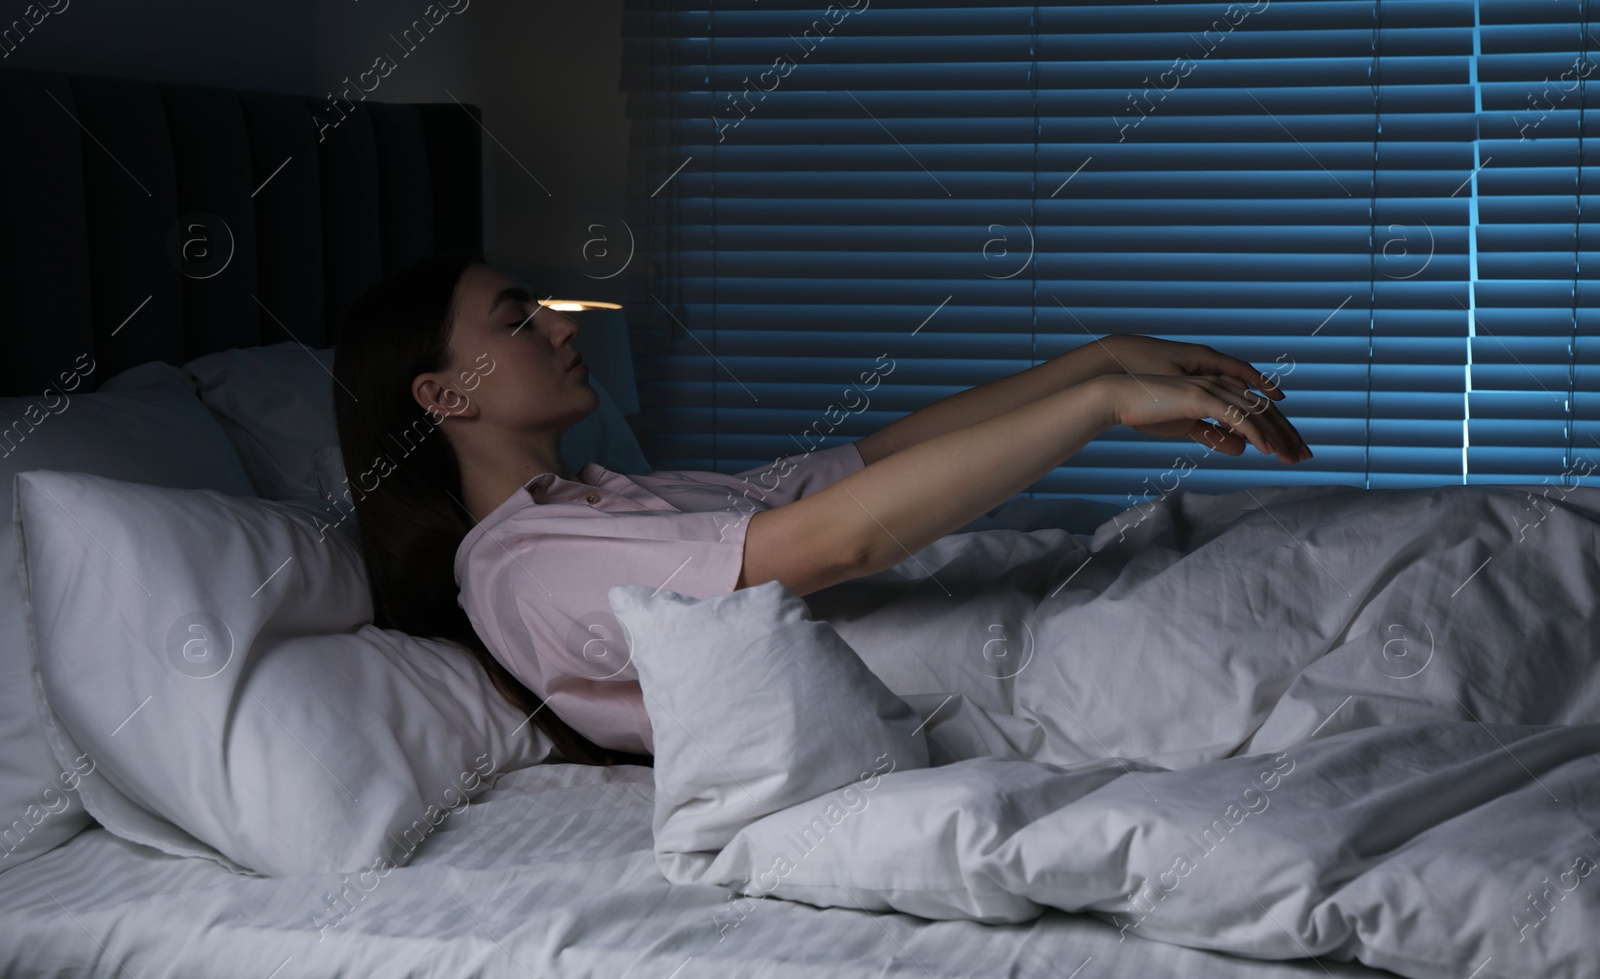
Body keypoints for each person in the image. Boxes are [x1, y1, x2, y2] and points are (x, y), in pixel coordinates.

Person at [333, 252, 1312, 763]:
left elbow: (874, 464)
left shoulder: (607, 497)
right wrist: (1098, 406)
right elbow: (841, 536)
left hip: (1034, 614)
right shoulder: (529, 563)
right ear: (442, 396)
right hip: (1027, 676)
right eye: (517, 318)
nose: (556, 322)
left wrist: (1099, 357)